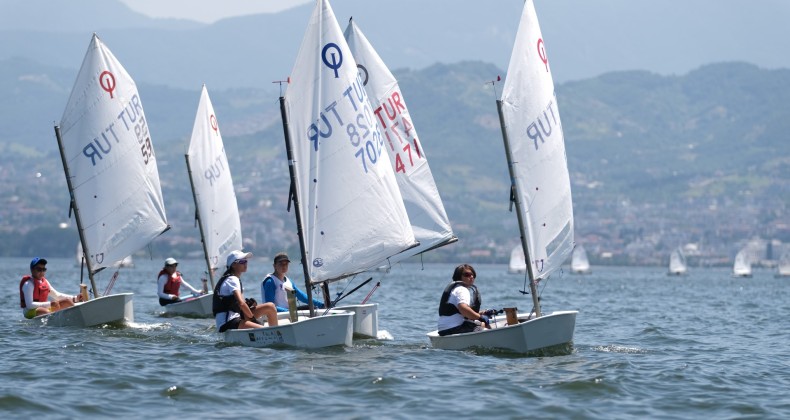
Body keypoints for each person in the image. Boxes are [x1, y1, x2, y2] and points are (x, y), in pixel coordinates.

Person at [213, 250, 278, 332]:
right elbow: (241, 303)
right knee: (265, 330)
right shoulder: (232, 279)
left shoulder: (234, 279)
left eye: (246, 261)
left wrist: (249, 305)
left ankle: (276, 331)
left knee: (270, 306)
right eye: (242, 261)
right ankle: (275, 333)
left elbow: (241, 304)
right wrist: (253, 320)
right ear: (233, 265)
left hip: (237, 317)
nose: (245, 263)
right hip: (228, 323)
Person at [437, 264, 498, 336]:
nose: (471, 277)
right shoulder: (462, 290)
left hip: (443, 330)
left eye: (473, 275)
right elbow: (463, 309)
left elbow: (460, 312)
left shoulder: (455, 289)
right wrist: (481, 317)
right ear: (459, 277)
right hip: (454, 329)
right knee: (483, 323)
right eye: (467, 275)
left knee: (479, 322)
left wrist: (482, 313)